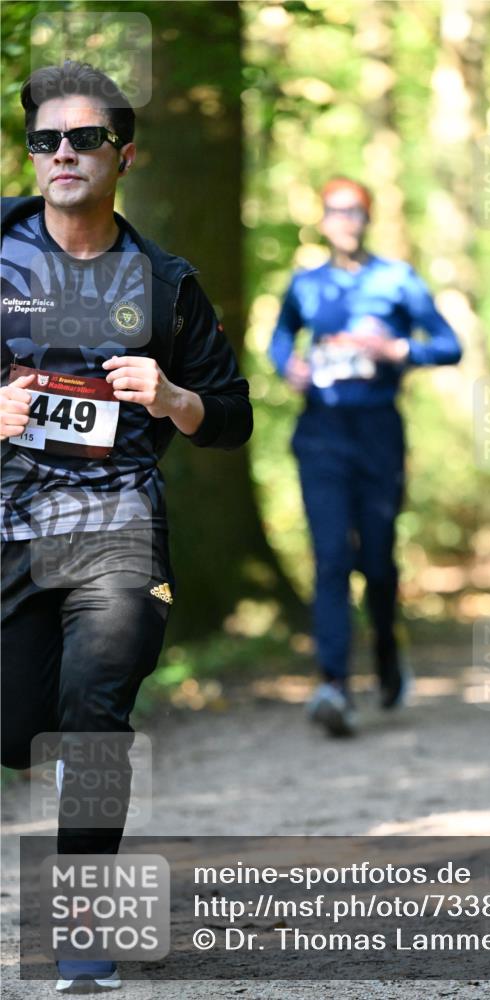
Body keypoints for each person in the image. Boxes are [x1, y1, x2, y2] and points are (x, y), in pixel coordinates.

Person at [0, 61, 252, 991]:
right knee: (19, 729)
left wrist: (178, 397)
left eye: (85, 139)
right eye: (45, 140)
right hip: (10, 533)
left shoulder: (164, 283)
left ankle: (84, 932)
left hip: (120, 532)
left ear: (125, 155)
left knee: (95, 715)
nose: (63, 153)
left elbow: (232, 415)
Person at [269, 177, 462, 738]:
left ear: (368, 218)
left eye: (355, 211)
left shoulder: (397, 280)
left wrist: (397, 349)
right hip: (321, 433)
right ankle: (333, 685)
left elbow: (449, 344)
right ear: (324, 221)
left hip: (379, 433)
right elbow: (282, 337)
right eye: (335, 211)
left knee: (376, 563)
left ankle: (385, 651)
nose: (346, 220)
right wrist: (290, 367)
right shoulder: (307, 286)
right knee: (330, 558)